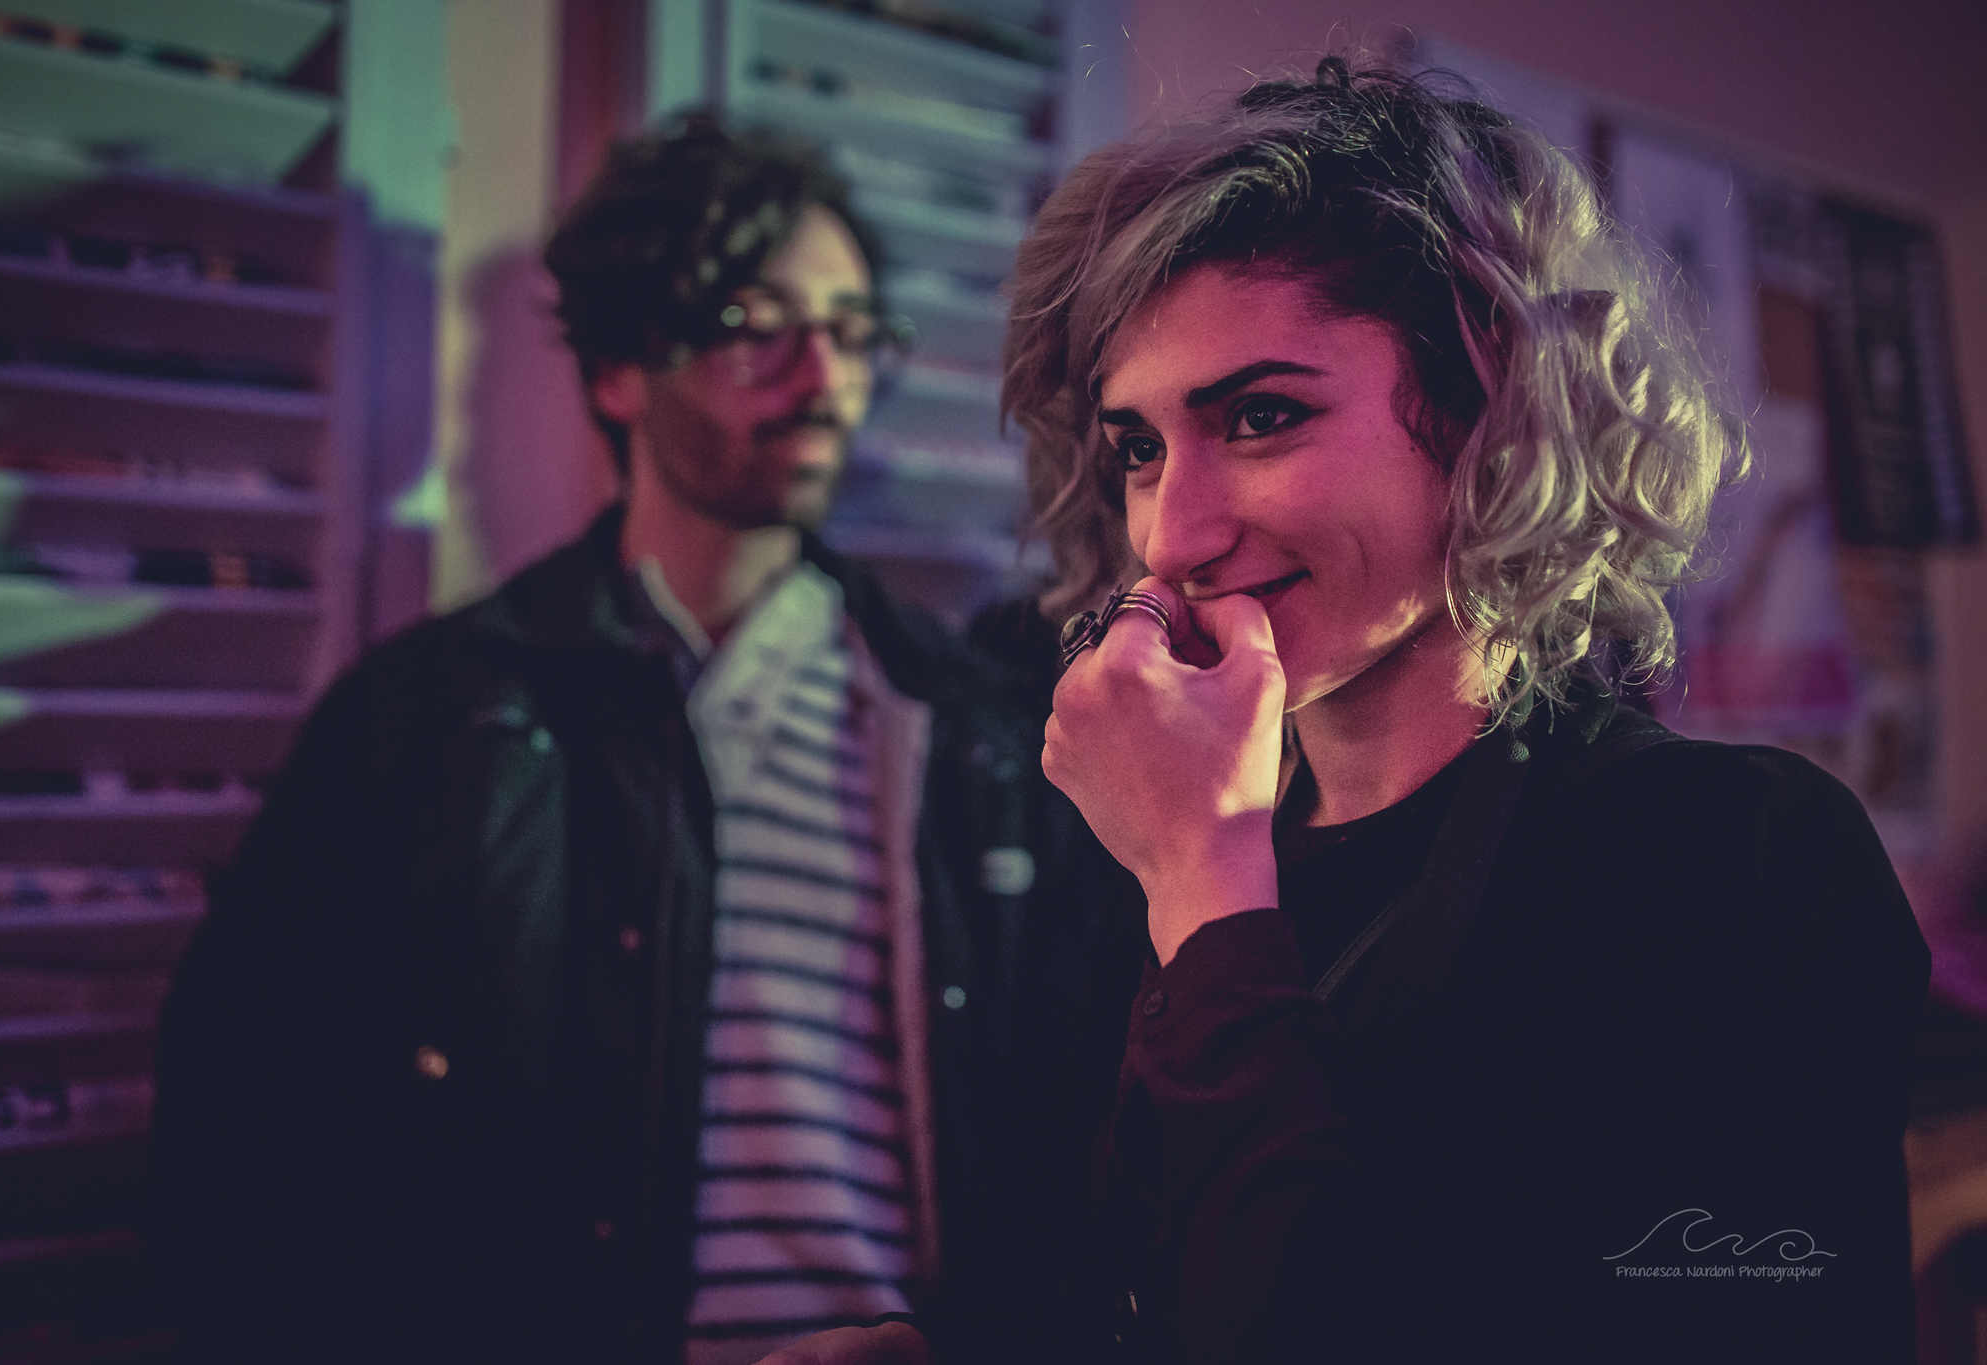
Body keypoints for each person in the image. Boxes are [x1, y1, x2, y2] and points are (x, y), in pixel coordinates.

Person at [768, 56, 1930, 1365]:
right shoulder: (1128, 849)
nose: (1172, 537)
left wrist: (1206, 885)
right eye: (1139, 448)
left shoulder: (1728, 858)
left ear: (1491, 412)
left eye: (1261, 417)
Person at [148, 112, 1143, 1365]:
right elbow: (242, 1130)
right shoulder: (437, 717)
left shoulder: (969, 726)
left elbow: (1082, 1160)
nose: (822, 376)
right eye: (754, 325)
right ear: (620, 367)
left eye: (849, 332)